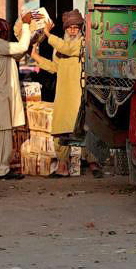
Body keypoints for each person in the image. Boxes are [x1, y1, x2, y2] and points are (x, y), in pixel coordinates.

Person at [31, 10, 95, 177]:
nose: (73, 31)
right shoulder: (59, 46)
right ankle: (62, 165)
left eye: (76, 27)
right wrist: (36, 57)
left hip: (78, 93)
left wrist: (47, 34)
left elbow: (66, 48)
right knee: (60, 130)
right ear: (65, 29)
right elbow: (55, 67)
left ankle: (93, 163)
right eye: (70, 28)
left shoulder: (81, 43)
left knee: (85, 127)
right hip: (63, 94)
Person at [0, 14, 35, 180]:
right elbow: (21, 48)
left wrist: (30, 41)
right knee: (4, 132)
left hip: (1, 94)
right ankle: (3, 169)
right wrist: (27, 25)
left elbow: (18, 54)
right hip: (1, 95)